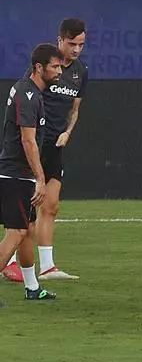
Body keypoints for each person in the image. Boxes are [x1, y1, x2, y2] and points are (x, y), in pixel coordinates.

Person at [0, 43, 63, 302]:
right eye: (55, 67)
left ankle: (32, 287)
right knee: (16, 232)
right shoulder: (28, 95)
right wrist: (40, 178)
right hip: (16, 174)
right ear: (39, 67)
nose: (59, 71)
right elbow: (28, 141)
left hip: (17, 173)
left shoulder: (30, 91)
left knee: (27, 229)